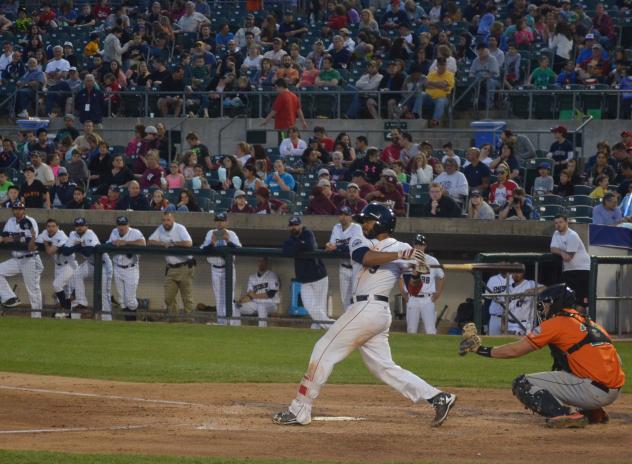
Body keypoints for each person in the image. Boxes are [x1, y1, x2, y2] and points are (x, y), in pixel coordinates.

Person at [273, 203, 456, 426]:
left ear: (380, 223)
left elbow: (415, 289)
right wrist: (401, 254)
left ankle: (300, 408)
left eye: (368, 220)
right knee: (384, 368)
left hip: (370, 308)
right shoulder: (361, 239)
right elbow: (366, 258)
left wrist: (416, 271)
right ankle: (438, 397)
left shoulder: (404, 248)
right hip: (368, 311)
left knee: (323, 349)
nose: (364, 224)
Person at [459, 284, 625, 428]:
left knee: (522, 383)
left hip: (593, 391)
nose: (543, 308)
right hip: (613, 390)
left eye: (546, 304)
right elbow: (615, 359)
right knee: (567, 367)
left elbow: (516, 350)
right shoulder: (589, 322)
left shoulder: (557, 323)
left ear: (556, 303)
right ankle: (594, 411)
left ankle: (567, 414)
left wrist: (480, 349)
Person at [283, 216, 333, 330]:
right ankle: (334, 327)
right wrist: (300, 245)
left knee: (320, 307)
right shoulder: (290, 239)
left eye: (296, 225)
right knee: (309, 306)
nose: (294, 227)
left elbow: (309, 246)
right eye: (291, 225)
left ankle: (317, 328)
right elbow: (287, 250)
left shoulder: (307, 233)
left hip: (319, 276)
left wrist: (297, 246)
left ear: (300, 225)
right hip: (304, 279)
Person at [63, 217, 113, 320]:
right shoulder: (73, 234)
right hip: (90, 263)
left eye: (82, 225)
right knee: (77, 274)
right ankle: (82, 302)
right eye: (77, 226)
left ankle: (107, 319)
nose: (79, 228)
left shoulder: (90, 234)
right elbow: (65, 251)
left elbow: (88, 251)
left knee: (104, 294)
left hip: (103, 265)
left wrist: (77, 246)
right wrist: (80, 246)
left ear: (87, 226)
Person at [0, 202, 43, 318]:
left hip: (29, 259)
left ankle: (37, 317)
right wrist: (19, 238)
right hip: (17, 259)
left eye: (20, 209)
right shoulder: (10, 221)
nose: (17, 211)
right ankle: (10, 298)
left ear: (24, 210)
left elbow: (30, 245)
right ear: (12, 210)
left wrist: (13, 238)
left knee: (33, 289)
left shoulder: (30, 221)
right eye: (15, 209)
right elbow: (4, 238)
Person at [148, 212, 195, 316]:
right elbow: (150, 241)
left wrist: (173, 244)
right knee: (168, 298)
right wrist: (162, 243)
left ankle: (190, 321)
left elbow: (188, 243)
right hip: (171, 268)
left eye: (168, 220)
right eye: (164, 220)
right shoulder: (161, 228)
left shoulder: (180, 228)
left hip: (185, 266)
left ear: (173, 219)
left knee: (187, 298)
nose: (166, 223)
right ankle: (174, 319)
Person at [200, 212, 242, 326]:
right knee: (218, 297)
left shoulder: (231, 234)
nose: (219, 223)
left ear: (226, 222)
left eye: (222, 220)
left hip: (228, 268)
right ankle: (221, 322)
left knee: (229, 295)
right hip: (215, 269)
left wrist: (228, 241)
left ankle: (231, 322)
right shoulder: (210, 233)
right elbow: (203, 250)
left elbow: (239, 250)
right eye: (217, 220)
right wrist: (212, 243)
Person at [402, 234, 444, 335]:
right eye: (417, 244)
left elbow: (442, 277)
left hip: (427, 298)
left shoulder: (432, 260)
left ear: (425, 246)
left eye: (421, 245)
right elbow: (400, 278)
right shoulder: (408, 260)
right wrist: (404, 294)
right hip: (412, 298)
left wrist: (438, 293)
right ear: (413, 246)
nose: (419, 247)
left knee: (430, 330)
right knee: (411, 330)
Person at [106, 216, 146, 321]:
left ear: (128, 225)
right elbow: (107, 244)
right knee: (121, 300)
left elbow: (143, 243)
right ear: (117, 225)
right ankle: (128, 323)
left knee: (130, 299)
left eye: (124, 224)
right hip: (117, 268)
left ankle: (133, 320)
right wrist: (113, 243)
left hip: (131, 269)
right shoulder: (114, 232)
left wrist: (126, 243)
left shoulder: (135, 232)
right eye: (120, 224)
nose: (121, 227)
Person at [35, 218, 76, 317]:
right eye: (49, 226)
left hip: (69, 265)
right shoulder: (45, 233)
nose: (51, 228)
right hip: (57, 266)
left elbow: (49, 251)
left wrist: (45, 242)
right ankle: (68, 314)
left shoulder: (61, 235)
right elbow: (36, 243)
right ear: (46, 227)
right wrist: (46, 242)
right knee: (65, 292)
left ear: (58, 227)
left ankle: (65, 308)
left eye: (53, 226)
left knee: (57, 285)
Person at [325, 207, 363, 312]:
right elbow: (331, 244)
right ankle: (348, 322)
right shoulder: (336, 227)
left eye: (346, 215)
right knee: (344, 299)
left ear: (351, 217)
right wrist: (329, 245)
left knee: (356, 296)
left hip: (356, 267)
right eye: (341, 214)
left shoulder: (357, 228)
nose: (344, 217)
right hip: (343, 268)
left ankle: (357, 321)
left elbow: (355, 246)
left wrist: (337, 247)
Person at [550, 214, 591, 308]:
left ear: (566, 222)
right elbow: (552, 248)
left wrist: (561, 252)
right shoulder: (556, 234)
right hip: (568, 270)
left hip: (582, 270)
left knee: (581, 302)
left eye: (560, 222)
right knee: (568, 300)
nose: (558, 225)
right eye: (556, 223)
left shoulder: (572, 235)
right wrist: (561, 252)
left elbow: (568, 257)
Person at [235, 257, 280, 328]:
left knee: (261, 306)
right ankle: (235, 328)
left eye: (263, 261)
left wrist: (255, 296)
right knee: (236, 307)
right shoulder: (252, 277)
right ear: (257, 263)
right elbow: (250, 295)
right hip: (255, 304)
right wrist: (241, 301)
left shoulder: (272, 275)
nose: (261, 263)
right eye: (259, 261)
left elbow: (271, 293)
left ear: (266, 263)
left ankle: (262, 330)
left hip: (270, 303)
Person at [414, 57, 454, 127]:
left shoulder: (450, 74)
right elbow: (426, 85)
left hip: (443, 98)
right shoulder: (431, 74)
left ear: (445, 65)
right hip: (429, 97)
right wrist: (440, 86)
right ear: (437, 65)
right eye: (440, 64)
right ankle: (416, 115)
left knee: (440, 101)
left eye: (443, 64)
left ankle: (435, 121)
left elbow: (444, 84)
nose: (442, 66)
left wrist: (431, 83)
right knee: (421, 94)